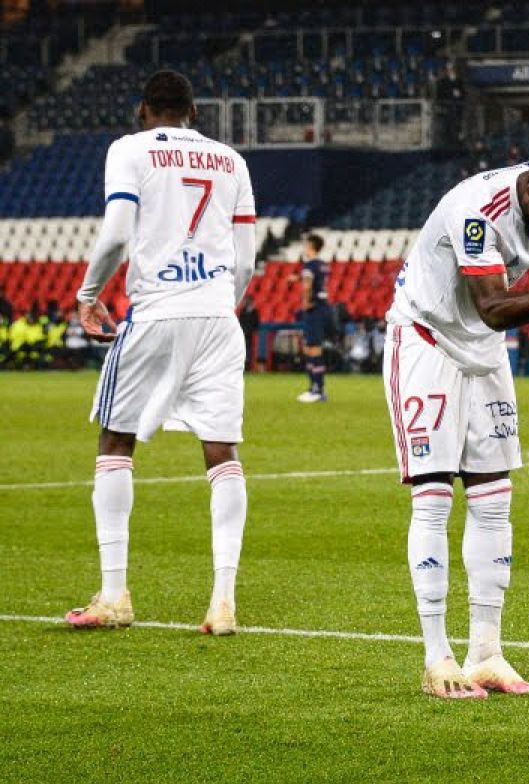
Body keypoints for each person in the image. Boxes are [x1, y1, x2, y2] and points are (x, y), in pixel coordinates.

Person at [385, 131, 529, 700]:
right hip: (427, 338)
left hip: (481, 351)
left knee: (493, 498)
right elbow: (490, 308)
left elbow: (489, 319)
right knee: (434, 496)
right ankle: (438, 658)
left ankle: (486, 652)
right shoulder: (478, 213)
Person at [64, 69, 257, 636]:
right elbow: (246, 260)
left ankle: (115, 593)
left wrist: (88, 293)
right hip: (219, 317)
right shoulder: (232, 161)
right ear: (193, 112)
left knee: (115, 439)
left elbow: (119, 233)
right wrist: (226, 304)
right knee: (222, 451)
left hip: (157, 312)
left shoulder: (129, 150)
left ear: (144, 109)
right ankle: (223, 602)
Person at [295, 233, 333, 402]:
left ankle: (316, 389)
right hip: (324, 307)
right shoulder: (323, 265)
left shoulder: (309, 265)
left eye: (306, 245)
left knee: (313, 348)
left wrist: (306, 302)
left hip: (314, 309)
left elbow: (308, 284)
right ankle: (316, 388)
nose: (304, 248)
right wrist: (296, 277)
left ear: (311, 246)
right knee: (313, 347)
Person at [238, 294, 261, 369]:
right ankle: (243, 363)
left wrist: (251, 330)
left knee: (249, 349)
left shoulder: (255, 311)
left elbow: (256, 323)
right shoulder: (243, 311)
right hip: (243, 333)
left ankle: (248, 364)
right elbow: (240, 321)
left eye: (248, 300)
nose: (246, 302)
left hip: (250, 334)